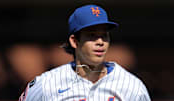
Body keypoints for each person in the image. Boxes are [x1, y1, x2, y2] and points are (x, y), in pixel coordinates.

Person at [19, 4, 151, 101]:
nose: (100, 42)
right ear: (74, 41)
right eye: (92, 35)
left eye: (104, 35)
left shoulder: (132, 86)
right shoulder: (46, 84)